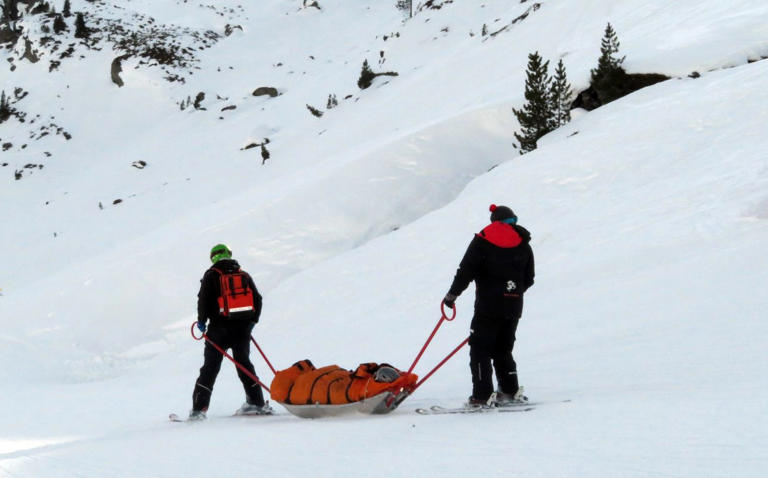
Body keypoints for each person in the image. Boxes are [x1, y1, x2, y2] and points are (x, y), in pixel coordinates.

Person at [443, 204, 535, 407]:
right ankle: (510, 390)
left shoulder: (482, 241)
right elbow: (529, 278)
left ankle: (482, 396)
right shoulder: (524, 244)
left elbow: (465, 271)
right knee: (503, 349)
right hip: (513, 306)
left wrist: (451, 296)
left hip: (487, 306)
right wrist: (512, 295)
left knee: (480, 349)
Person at [189, 244, 269, 420]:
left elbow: (203, 301)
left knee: (210, 368)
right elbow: (258, 299)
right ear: (229, 254)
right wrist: (252, 322)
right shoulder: (243, 275)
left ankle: (199, 409)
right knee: (244, 364)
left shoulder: (211, 275)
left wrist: (201, 322)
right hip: (242, 330)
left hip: (218, 330)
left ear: (213, 258)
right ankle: (256, 402)